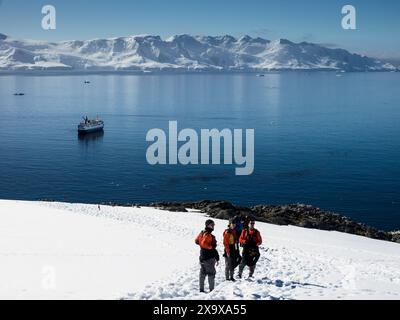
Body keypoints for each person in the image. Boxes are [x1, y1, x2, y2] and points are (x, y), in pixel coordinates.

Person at [195, 219, 220, 293]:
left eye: (213, 224)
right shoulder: (208, 234)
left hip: (202, 256)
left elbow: (196, 241)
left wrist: (203, 244)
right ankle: (212, 291)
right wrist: (211, 247)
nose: (213, 226)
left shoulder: (202, 232)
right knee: (211, 273)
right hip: (209, 257)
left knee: (202, 273)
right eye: (211, 224)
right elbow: (203, 244)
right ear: (207, 225)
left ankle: (201, 290)